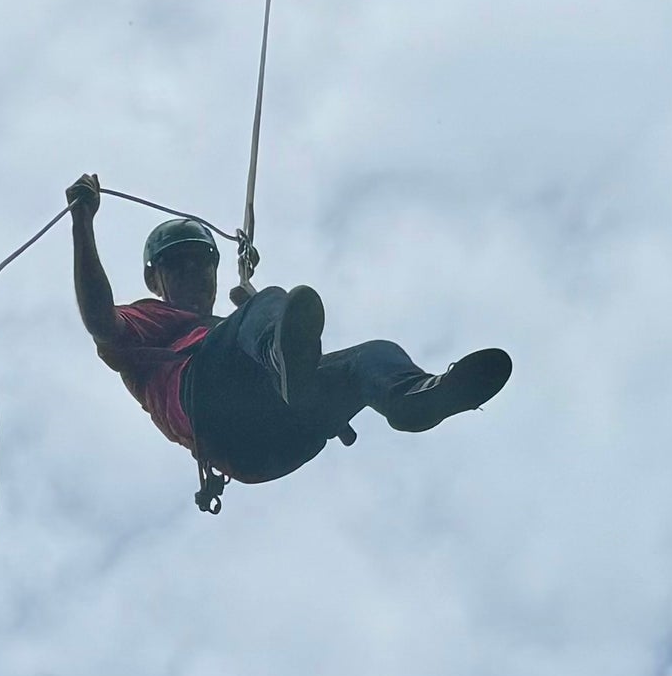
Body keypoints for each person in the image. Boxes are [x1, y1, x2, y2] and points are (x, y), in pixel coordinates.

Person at [66, 176, 511, 492]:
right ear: (154, 280)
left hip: (272, 445)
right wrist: (82, 223)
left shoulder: (230, 327)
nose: (192, 272)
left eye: (201, 261)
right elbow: (101, 323)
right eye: (176, 264)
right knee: (271, 304)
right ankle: (287, 368)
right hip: (211, 410)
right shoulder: (153, 320)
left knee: (371, 356)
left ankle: (412, 397)